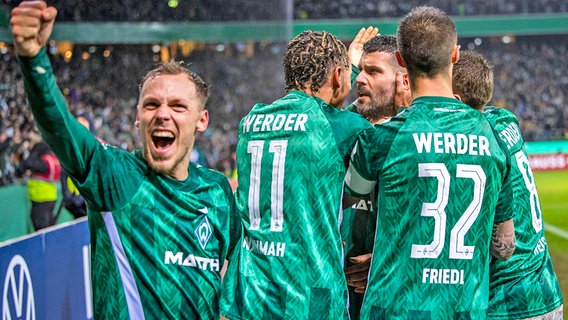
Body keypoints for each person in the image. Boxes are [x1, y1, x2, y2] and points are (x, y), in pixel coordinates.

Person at [10, 2, 241, 319]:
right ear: (137, 118)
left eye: (177, 106)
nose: (162, 114)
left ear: (201, 121)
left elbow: (242, 266)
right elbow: (60, 128)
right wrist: (33, 60)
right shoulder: (114, 177)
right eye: (151, 105)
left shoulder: (216, 190)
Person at [343, 6, 516, 318]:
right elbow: (504, 245)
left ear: (400, 61)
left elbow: (341, 198)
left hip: (394, 308)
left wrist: (390, 257)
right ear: (454, 55)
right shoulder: (493, 137)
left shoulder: (385, 137)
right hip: (464, 309)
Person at [220, 29, 376, 319]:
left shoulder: (251, 120)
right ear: (337, 76)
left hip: (249, 292)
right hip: (308, 297)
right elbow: (336, 125)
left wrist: (347, 69)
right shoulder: (348, 126)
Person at [452, 50, 564, 320]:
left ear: (455, 100)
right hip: (546, 291)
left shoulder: (474, 143)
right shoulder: (506, 120)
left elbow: (502, 249)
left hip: (508, 302)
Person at [341, 34, 409, 320]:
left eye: (373, 71)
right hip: (343, 288)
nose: (359, 79)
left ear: (402, 80)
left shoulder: (415, 141)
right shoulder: (349, 129)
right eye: (360, 70)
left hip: (396, 293)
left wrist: (386, 261)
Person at [16, 133, 61, 230]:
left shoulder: (44, 162)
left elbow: (27, 164)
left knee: (41, 227)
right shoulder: (53, 160)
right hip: (50, 197)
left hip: (41, 198)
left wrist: (34, 151)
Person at [59, 112, 96, 219]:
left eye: (84, 122)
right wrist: (66, 192)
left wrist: (84, 194)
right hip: (74, 202)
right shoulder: (69, 149)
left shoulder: (94, 147)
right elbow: (64, 172)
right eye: (78, 122)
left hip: (91, 202)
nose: (81, 126)